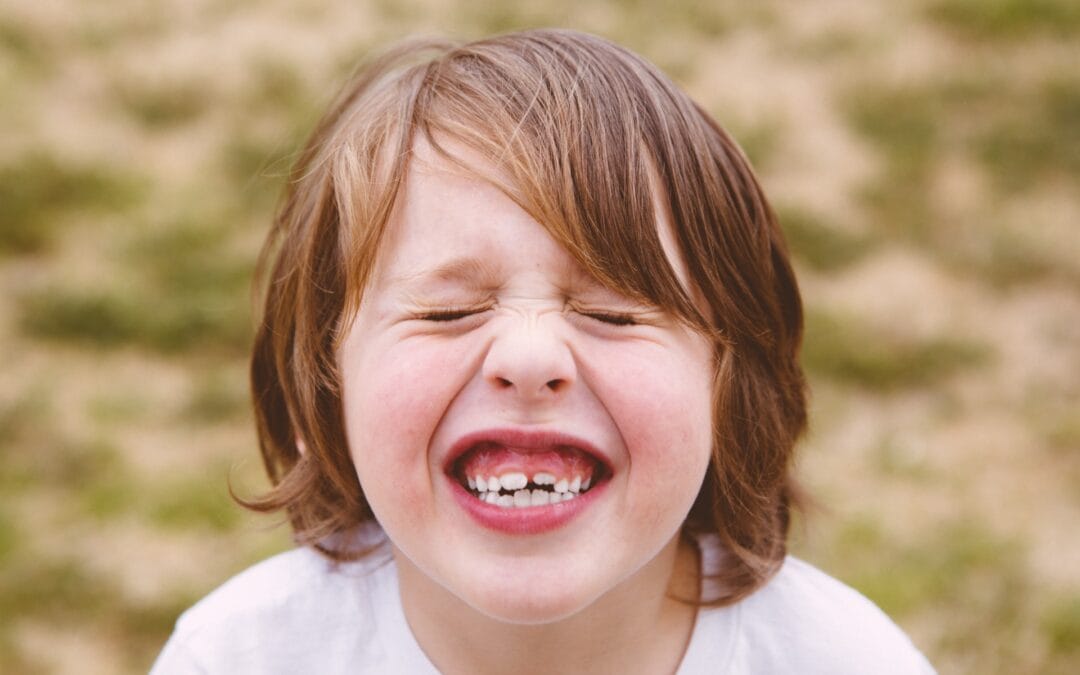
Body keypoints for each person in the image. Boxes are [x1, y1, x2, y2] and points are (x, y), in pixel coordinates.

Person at [151, 29, 934, 674]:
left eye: (612, 312)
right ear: (323, 392)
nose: (528, 356)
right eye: (447, 310)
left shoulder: (845, 661)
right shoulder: (239, 656)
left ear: (731, 389)